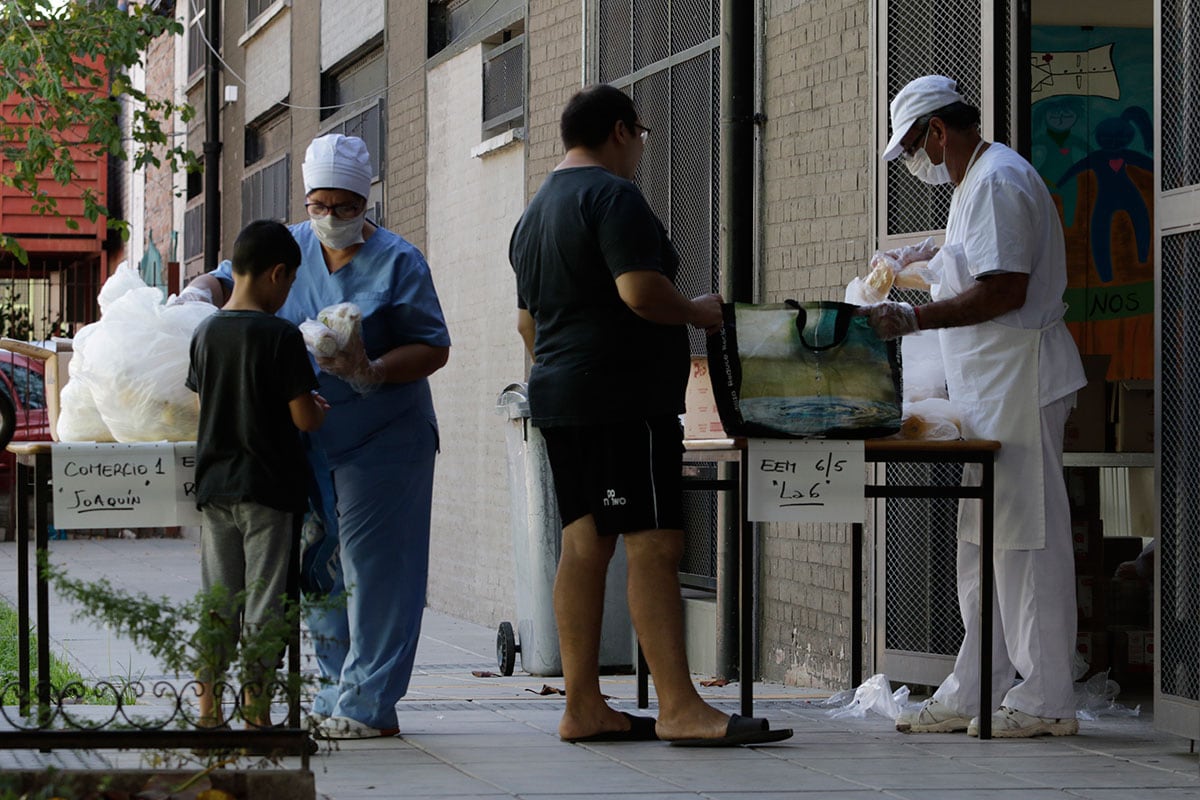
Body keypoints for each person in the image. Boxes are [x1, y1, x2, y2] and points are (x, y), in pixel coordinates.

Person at [509, 84, 792, 747]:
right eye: (639, 134)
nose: (639, 149)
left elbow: (528, 323)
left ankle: (583, 706)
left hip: (560, 396)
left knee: (583, 544)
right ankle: (680, 708)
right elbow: (639, 290)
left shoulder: (535, 212)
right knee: (655, 543)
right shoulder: (613, 196)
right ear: (619, 132)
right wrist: (698, 311)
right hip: (623, 402)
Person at [198, 134, 451, 740]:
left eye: (343, 206)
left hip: (384, 435)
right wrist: (193, 295)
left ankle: (368, 703)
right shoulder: (290, 249)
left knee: (376, 566)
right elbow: (228, 280)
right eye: (318, 205)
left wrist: (371, 370)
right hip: (307, 443)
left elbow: (434, 346)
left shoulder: (399, 260)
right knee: (320, 566)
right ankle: (336, 689)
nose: (330, 218)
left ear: (365, 202)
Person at [867, 75, 1087, 738]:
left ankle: (1047, 696)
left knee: (1026, 541)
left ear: (938, 131)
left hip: (1018, 380)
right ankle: (975, 687)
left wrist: (912, 319)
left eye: (915, 147)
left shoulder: (995, 180)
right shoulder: (976, 184)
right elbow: (972, 260)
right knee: (985, 541)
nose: (919, 163)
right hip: (989, 389)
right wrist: (923, 258)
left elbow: (1004, 289)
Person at [186, 219, 329, 728]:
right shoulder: (282, 336)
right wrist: (317, 405)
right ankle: (257, 711)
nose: (288, 293)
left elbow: (205, 404)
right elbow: (303, 418)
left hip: (216, 487)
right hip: (269, 487)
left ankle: (207, 711)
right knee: (267, 600)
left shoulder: (204, 333)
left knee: (220, 599)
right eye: (289, 283)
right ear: (276, 273)